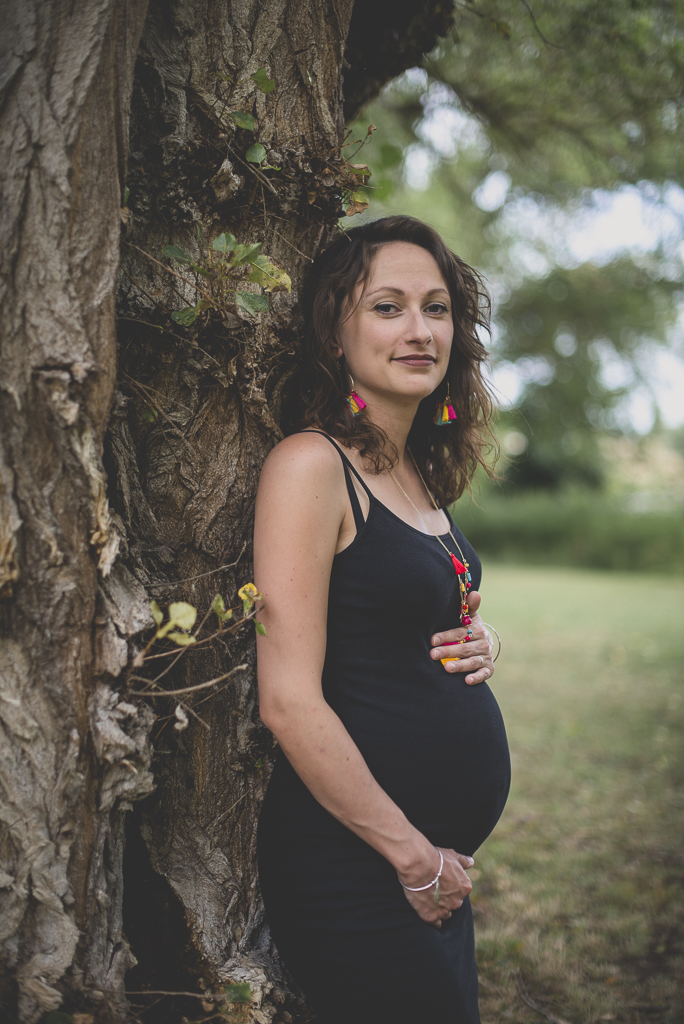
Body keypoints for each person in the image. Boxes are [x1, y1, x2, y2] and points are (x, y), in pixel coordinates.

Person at [253, 216, 510, 1024]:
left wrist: (481, 638)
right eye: (388, 307)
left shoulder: (412, 470)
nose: (420, 329)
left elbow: (396, 617)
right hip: (362, 864)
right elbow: (288, 699)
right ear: (336, 331)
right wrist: (409, 857)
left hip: (428, 865)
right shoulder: (311, 465)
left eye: (436, 308)